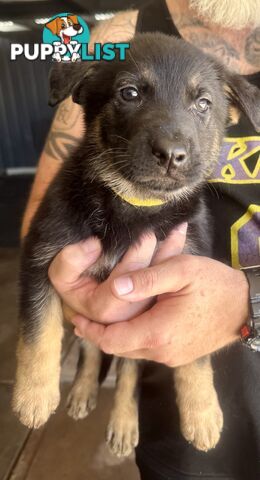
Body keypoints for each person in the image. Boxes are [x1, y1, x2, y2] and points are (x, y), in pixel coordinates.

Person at [21, 1, 260, 478]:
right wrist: (75, 313)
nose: (173, 147)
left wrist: (246, 304)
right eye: (131, 92)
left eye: (203, 103)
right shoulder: (117, 36)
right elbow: (42, 249)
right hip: (169, 414)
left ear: (231, 110)